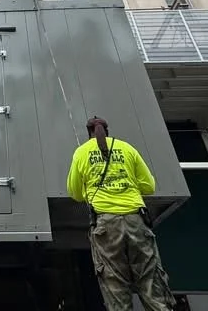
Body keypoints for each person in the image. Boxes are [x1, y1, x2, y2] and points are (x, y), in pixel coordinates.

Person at [67, 116, 174, 311]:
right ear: (107, 131)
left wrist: (90, 191)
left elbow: (74, 192)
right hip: (137, 221)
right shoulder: (127, 148)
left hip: (106, 227)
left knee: (115, 286)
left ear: (89, 132)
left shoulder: (81, 153)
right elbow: (148, 186)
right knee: (150, 282)